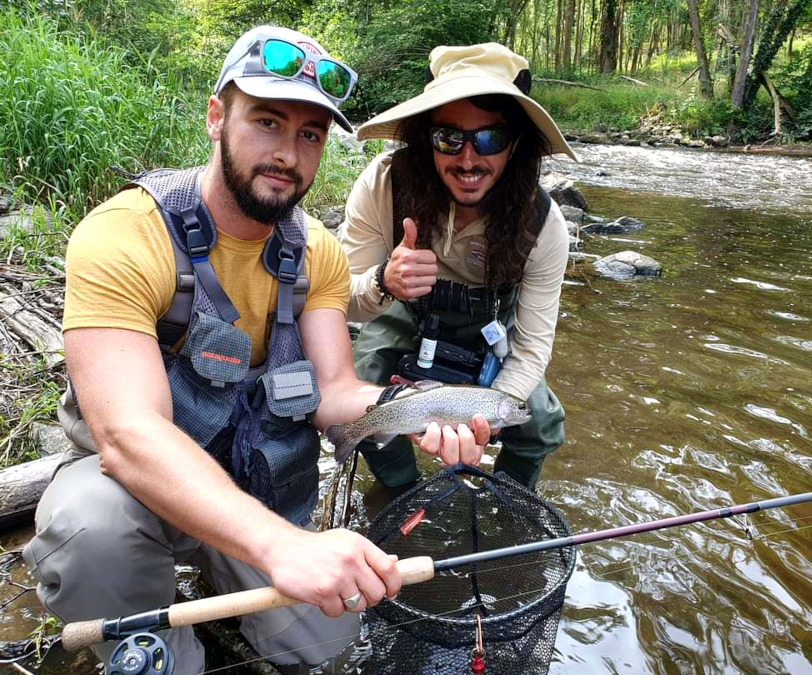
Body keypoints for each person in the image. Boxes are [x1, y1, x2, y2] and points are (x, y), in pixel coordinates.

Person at [23, 26, 489, 673]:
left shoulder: (315, 251)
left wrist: (408, 405)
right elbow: (127, 434)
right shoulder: (123, 235)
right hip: (135, 496)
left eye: (309, 135)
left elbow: (333, 389)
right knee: (85, 532)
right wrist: (281, 547)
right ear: (217, 117)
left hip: (255, 487)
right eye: (267, 121)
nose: (288, 153)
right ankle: (170, 657)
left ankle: (231, 588)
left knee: (328, 632)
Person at [340, 43, 578, 492]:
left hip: (491, 327)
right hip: (403, 316)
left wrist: (488, 412)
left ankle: (509, 499)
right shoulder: (383, 185)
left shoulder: (544, 225)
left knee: (540, 422)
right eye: (449, 138)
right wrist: (382, 282)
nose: (468, 160)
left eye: (489, 139)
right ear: (424, 137)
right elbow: (340, 303)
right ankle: (403, 493)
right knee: (359, 399)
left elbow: (530, 349)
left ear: (516, 145)